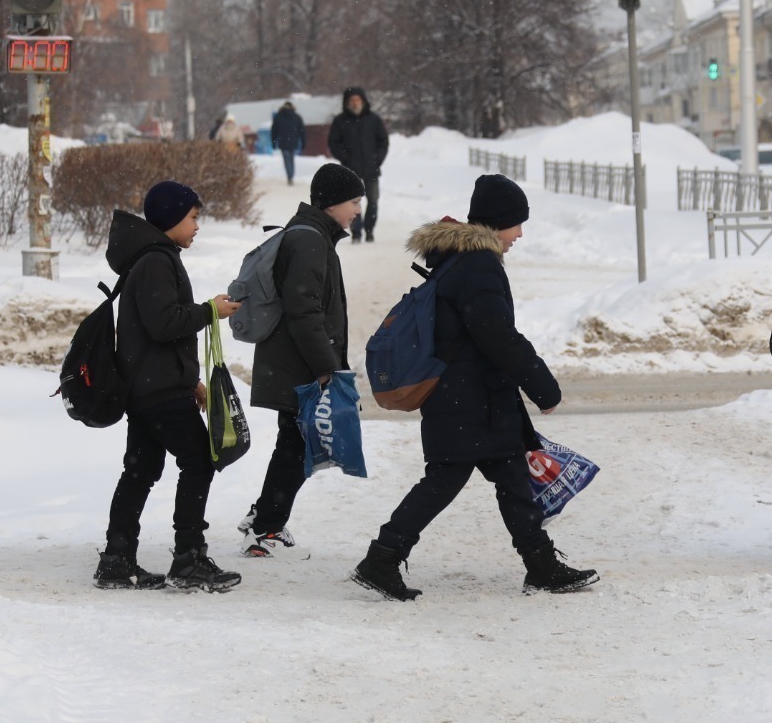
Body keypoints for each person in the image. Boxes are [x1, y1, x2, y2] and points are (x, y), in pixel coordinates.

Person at [351, 175, 598, 600]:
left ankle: (540, 564)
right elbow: (497, 336)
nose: (520, 234)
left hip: (474, 397)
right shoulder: (478, 266)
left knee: (514, 480)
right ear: (498, 221)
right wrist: (543, 387)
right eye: (516, 224)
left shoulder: (461, 259)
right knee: (444, 481)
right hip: (468, 399)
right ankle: (383, 557)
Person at [94, 181, 246, 593]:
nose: (197, 226)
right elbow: (165, 324)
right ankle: (189, 559)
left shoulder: (148, 259)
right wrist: (210, 311)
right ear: (171, 218)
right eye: (193, 218)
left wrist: (191, 380)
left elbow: (153, 331)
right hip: (158, 390)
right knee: (198, 461)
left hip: (148, 386)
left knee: (140, 471)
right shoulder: (156, 261)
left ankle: (116, 560)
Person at [236, 163, 365, 557]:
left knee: (294, 443)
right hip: (298, 367)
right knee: (297, 445)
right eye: (354, 201)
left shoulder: (313, 236)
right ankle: (266, 530)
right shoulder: (309, 241)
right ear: (331, 203)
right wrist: (326, 370)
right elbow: (304, 312)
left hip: (292, 363)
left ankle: (263, 517)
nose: (358, 210)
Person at [327, 87, 388, 243]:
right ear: (347, 102)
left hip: (371, 168)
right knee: (352, 202)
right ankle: (356, 232)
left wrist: (377, 159)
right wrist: (344, 158)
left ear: (363, 101)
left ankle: (369, 230)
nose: (355, 103)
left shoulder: (374, 119)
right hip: (350, 169)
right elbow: (333, 142)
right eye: (352, 100)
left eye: (357, 99)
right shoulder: (340, 121)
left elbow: (383, 141)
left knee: (373, 200)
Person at [270, 100, 306, 185]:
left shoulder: (278, 117)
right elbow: (302, 131)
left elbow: (274, 131)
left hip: (283, 142)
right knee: (291, 159)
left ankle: (289, 176)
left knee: (286, 160)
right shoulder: (297, 117)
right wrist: (303, 142)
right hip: (293, 142)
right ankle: (291, 176)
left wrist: (274, 142)